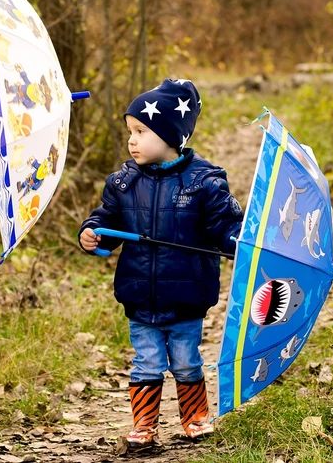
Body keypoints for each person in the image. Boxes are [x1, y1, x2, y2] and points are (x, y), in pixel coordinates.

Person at [78, 79, 244, 447]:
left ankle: (196, 417)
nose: (131, 141)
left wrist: (237, 240)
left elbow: (224, 225)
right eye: (129, 132)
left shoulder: (204, 181)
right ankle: (143, 426)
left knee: (186, 361)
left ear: (171, 136)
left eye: (140, 131)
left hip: (187, 294)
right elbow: (107, 220)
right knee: (146, 363)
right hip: (140, 295)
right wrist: (93, 234)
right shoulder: (123, 182)